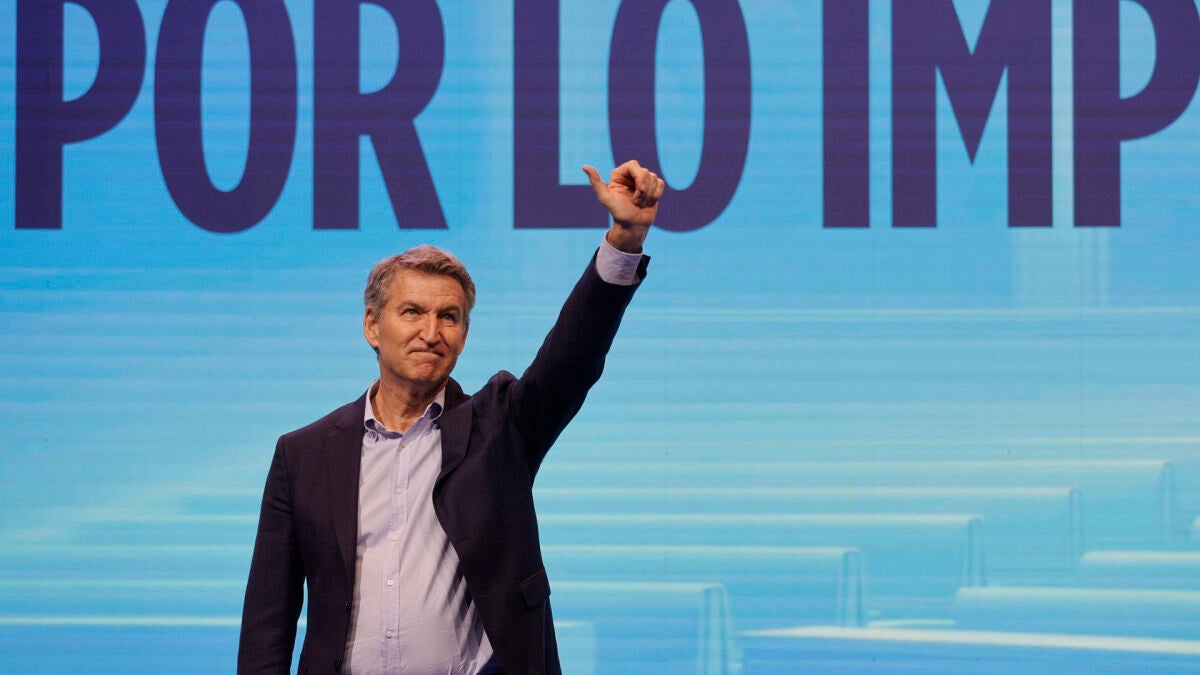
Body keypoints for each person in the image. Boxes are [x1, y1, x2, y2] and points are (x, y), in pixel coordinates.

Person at [238, 160, 664, 674]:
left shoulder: (501, 428)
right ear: (372, 326)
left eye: (449, 316)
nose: (431, 332)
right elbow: (267, 622)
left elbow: (573, 355)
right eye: (412, 312)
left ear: (464, 334)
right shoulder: (303, 455)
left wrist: (624, 240)